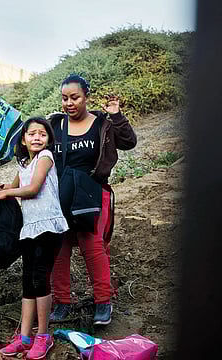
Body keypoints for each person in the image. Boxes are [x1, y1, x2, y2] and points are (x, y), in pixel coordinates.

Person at [48, 74, 137, 325]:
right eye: (65, 98)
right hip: (61, 194)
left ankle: (103, 302)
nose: (69, 103)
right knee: (59, 248)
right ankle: (62, 302)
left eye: (75, 97)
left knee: (93, 246)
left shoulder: (102, 124)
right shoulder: (54, 125)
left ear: (86, 96)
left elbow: (129, 142)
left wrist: (117, 115)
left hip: (93, 191)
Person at [0, 117, 69, 360]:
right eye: (32, 134)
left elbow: (32, 188)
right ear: (24, 138)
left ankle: (43, 336)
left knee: (40, 279)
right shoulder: (25, 163)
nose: (37, 138)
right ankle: (24, 337)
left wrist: (7, 192)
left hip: (48, 226)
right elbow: (14, 184)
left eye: (42, 134)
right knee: (28, 281)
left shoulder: (45, 157)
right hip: (29, 229)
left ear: (48, 139)